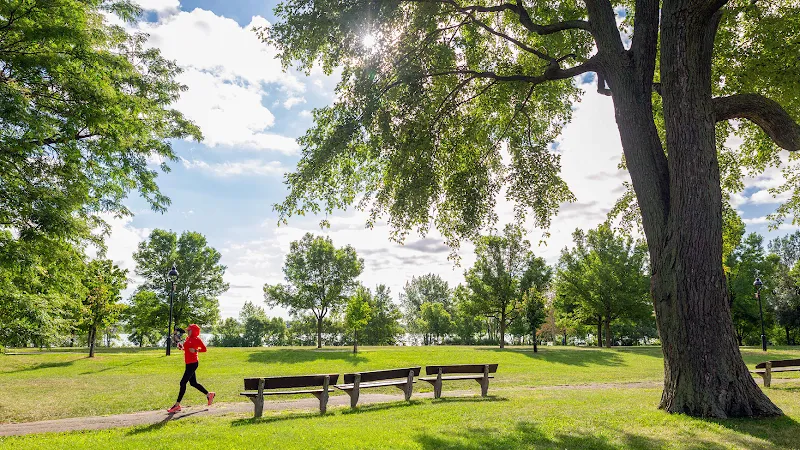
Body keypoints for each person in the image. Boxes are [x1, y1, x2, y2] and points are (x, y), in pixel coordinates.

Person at [167, 324, 215, 413]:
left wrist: (196, 350)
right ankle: (209, 395)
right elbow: (187, 348)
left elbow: (204, 349)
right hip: (188, 363)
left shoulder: (197, 339)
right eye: (188, 330)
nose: (187, 331)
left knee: (182, 383)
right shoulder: (188, 338)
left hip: (193, 363)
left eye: (189, 330)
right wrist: (182, 348)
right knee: (193, 383)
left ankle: (177, 405)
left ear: (194, 331)